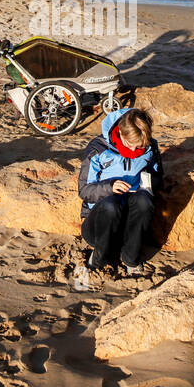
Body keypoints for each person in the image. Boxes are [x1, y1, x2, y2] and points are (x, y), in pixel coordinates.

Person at [77, 107, 162, 276]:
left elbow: (158, 177)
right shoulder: (98, 148)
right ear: (121, 133)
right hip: (98, 226)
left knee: (144, 200)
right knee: (111, 204)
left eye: (139, 147)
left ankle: (131, 258)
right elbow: (84, 190)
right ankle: (99, 258)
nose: (133, 151)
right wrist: (110, 187)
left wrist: (147, 185)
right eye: (130, 145)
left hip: (129, 226)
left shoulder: (150, 146)